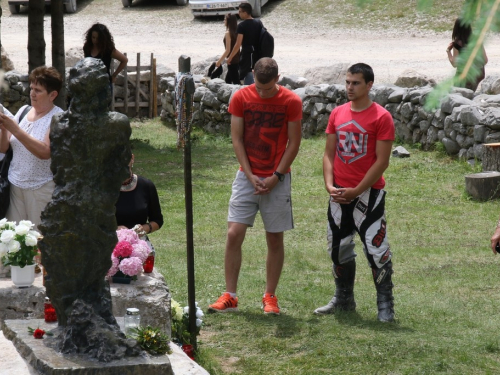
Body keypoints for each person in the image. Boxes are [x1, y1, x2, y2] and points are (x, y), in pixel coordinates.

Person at [208, 58, 302, 316]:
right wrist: (250, 176)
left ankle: (270, 297)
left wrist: (276, 177)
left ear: (278, 78)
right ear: (253, 76)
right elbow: (236, 139)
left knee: (274, 237)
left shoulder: (291, 101)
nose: (262, 92)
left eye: (268, 88)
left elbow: (294, 142)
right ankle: (230, 295)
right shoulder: (241, 96)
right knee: (234, 233)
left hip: (277, 179)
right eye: (259, 88)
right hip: (246, 176)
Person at [314, 63, 396, 323]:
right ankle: (343, 298)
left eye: (356, 83)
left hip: (368, 195)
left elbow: (382, 162)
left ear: (369, 85)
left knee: (376, 249)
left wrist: (357, 190)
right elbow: (328, 154)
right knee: (338, 249)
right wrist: (330, 186)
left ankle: (385, 304)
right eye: (347, 82)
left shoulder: (381, 117)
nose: (349, 87)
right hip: (338, 194)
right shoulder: (337, 113)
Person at [0, 66, 63, 229]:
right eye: (32, 88)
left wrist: (15, 129)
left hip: (40, 188)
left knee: (38, 241)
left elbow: (45, 152)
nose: (32, 93)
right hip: (14, 186)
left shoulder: (58, 117)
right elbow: (3, 148)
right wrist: (4, 128)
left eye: (38, 90)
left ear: (53, 95)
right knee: (13, 239)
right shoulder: (23, 111)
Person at [116, 154, 164, 245]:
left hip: (138, 245)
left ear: (132, 158)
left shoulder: (146, 185)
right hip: (109, 246)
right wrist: (114, 229)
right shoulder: (102, 189)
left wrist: (143, 229)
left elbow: (157, 220)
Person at [227, 2, 264, 85]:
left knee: (248, 76)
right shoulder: (259, 22)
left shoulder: (242, 26)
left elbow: (238, 44)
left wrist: (230, 57)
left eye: (240, 11)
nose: (238, 13)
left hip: (247, 55)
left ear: (245, 13)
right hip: (258, 54)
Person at [446, 18, 488, 91]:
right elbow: (485, 60)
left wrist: (448, 51)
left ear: (456, 29)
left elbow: (454, 64)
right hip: (479, 74)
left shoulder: (458, 43)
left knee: (457, 94)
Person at [215, 13, 240, 85]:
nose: (223, 21)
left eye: (225, 19)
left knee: (236, 83)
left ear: (229, 21)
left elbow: (228, 50)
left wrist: (219, 61)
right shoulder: (237, 31)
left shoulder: (228, 33)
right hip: (237, 58)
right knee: (228, 81)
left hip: (231, 60)